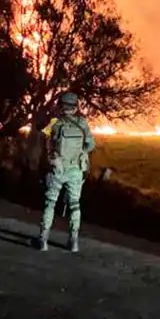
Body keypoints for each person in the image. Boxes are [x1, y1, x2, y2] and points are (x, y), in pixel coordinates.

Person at [38, 92, 96, 252]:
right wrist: (79, 152)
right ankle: (74, 243)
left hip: (57, 168)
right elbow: (91, 145)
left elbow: (43, 137)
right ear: (76, 106)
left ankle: (43, 241)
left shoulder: (54, 122)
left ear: (60, 105)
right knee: (74, 205)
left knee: (50, 204)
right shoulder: (82, 123)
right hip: (76, 170)